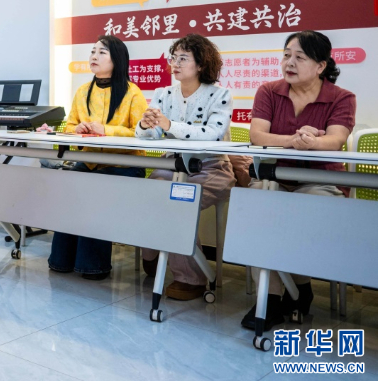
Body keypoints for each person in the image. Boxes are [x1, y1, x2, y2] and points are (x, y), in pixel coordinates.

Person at [243, 30, 355, 330]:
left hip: (321, 180)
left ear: (320, 66)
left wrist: (313, 142)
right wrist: (294, 140)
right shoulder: (269, 91)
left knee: (298, 213)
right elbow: (257, 136)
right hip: (274, 176)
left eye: (299, 57)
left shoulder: (341, 97)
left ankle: (299, 288)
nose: (289, 63)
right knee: (256, 207)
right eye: (286, 55)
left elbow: (335, 141)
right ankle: (270, 298)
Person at [136, 33, 236, 300]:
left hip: (211, 169)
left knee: (176, 202)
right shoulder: (163, 93)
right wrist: (145, 125)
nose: (175, 64)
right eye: (174, 58)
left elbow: (212, 134)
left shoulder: (220, 95)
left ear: (201, 64)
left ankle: (192, 277)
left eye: (183, 58)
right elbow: (152, 135)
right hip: (171, 166)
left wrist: (170, 125)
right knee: (146, 195)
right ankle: (152, 253)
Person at [47, 36, 147, 280]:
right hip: (90, 162)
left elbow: (142, 132)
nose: (94, 56)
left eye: (102, 52)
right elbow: (69, 125)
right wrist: (77, 130)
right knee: (69, 189)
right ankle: (61, 261)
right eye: (93, 51)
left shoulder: (132, 93)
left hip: (125, 165)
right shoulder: (83, 91)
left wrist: (107, 130)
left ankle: (93, 266)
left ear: (117, 59)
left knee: (94, 190)